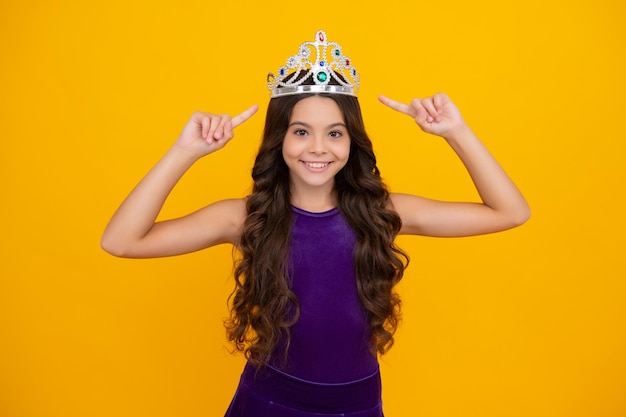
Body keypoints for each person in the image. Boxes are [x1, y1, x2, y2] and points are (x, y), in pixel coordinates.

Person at [101, 30, 530, 417]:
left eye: (335, 133)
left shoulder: (382, 213)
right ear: (280, 139)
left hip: (357, 404)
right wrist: (184, 151)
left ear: (352, 141)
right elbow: (121, 241)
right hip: (269, 403)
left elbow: (509, 211)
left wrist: (456, 131)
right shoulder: (246, 217)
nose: (318, 148)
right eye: (301, 132)